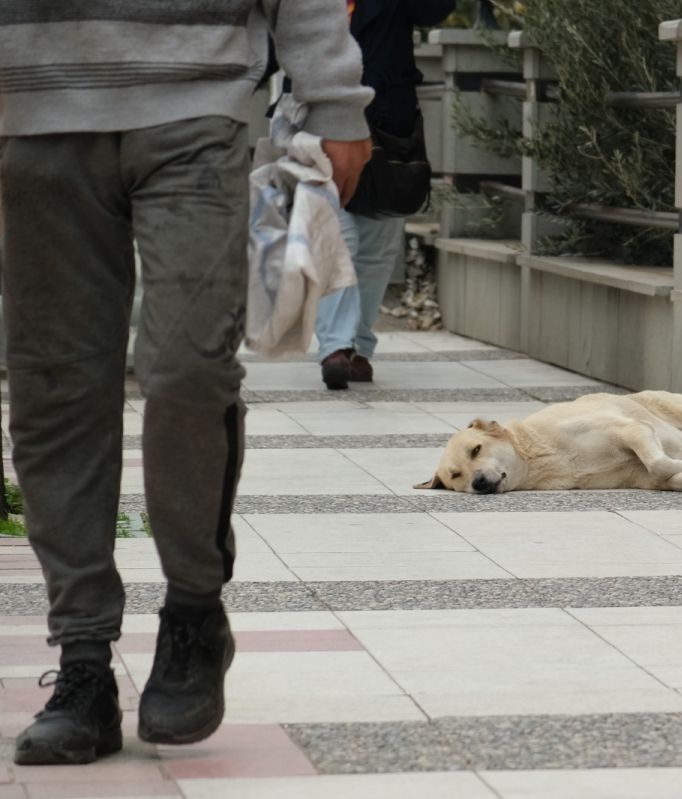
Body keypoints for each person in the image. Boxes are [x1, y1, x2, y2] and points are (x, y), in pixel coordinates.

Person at [0, 1, 373, 765]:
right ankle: (83, 661)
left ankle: (195, 612)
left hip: (198, 99)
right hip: (32, 105)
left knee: (186, 368)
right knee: (55, 387)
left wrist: (334, 95)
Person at [316, 0, 456, 390]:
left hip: (387, 129)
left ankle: (357, 345)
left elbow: (433, 11)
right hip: (316, 120)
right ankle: (335, 347)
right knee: (335, 235)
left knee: (377, 249)